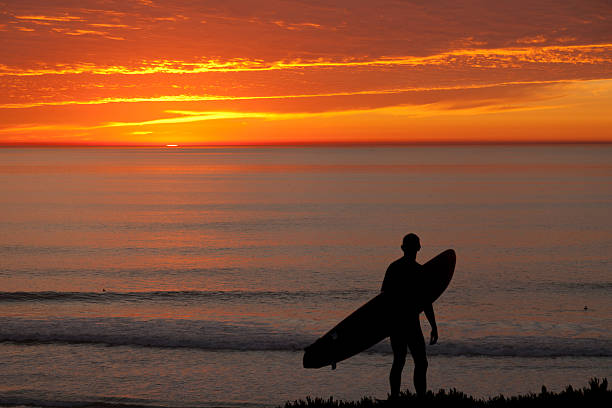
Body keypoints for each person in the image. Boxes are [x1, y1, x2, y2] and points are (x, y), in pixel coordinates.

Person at [381, 233, 437, 398]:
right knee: (421, 362)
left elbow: (383, 298)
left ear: (402, 248)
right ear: (419, 248)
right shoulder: (419, 271)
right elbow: (427, 301)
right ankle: (420, 397)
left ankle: (395, 397)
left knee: (399, 361)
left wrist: (385, 323)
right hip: (411, 324)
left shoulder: (393, 267)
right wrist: (433, 326)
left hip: (396, 323)